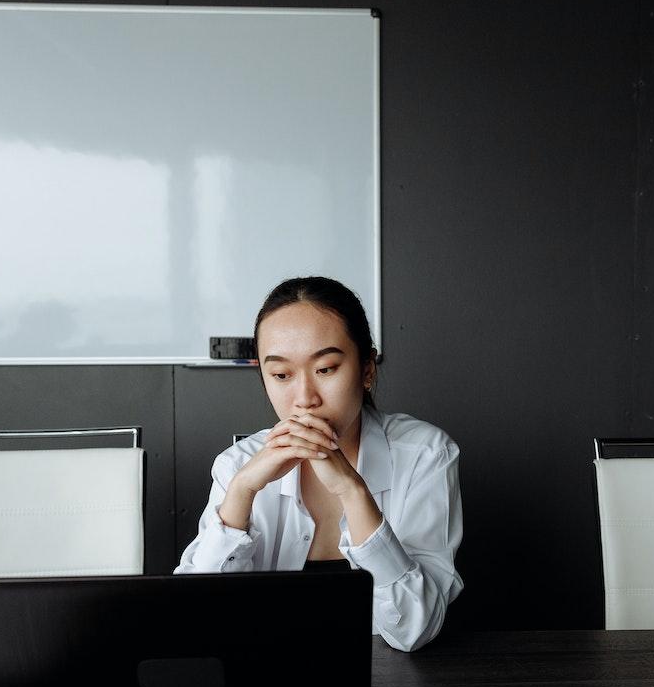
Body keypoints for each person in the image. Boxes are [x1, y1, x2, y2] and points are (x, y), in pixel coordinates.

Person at [175, 277, 463, 651]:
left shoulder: (425, 454)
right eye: (281, 375)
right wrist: (241, 493)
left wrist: (352, 490)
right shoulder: (238, 466)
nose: (305, 399)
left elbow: (414, 630)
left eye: (325, 369)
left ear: (367, 370)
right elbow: (193, 621)